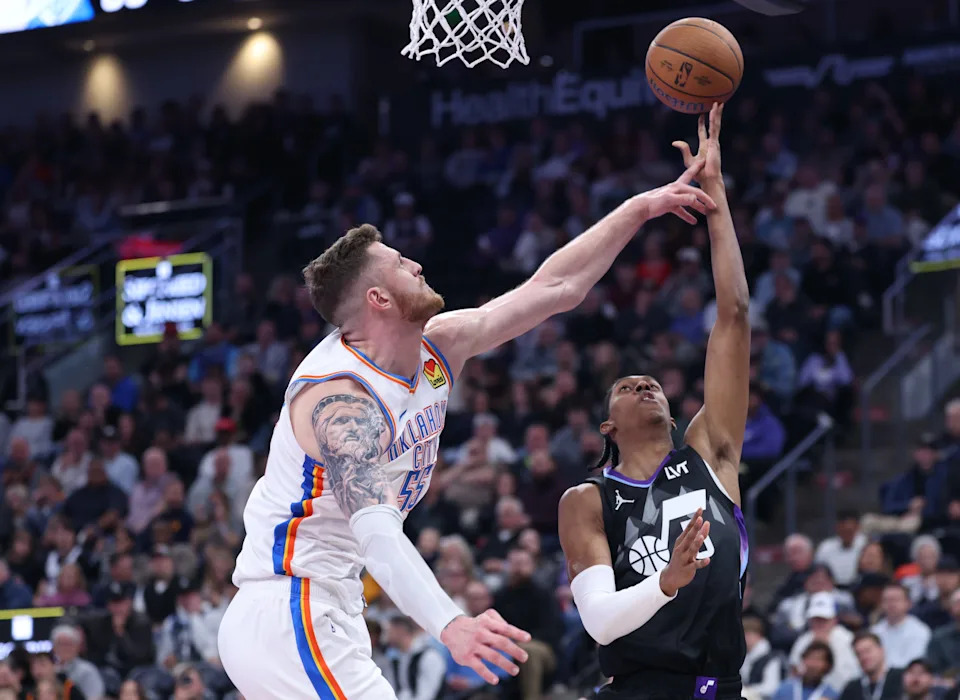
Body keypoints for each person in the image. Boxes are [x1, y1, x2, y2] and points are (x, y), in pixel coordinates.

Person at [217, 131, 716, 699]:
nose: (419, 264)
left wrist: (641, 207)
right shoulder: (340, 400)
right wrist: (451, 623)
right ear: (378, 300)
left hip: (328, 605)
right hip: (290, 605)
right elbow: (376, 529)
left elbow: (556, 286)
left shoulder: (437, 346)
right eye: (403, 265)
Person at [558, 105, 749, 700]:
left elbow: (735, 317)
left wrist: (715, 197)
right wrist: (664, 583)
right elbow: (598, 620)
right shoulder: (586, 501)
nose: (645, 384)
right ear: (607, 425)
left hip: (722, 685)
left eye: (652, 383)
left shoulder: (712, 454)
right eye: (626, 386)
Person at [383, 614, 446, 700]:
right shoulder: (395, 659)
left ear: (400, 631)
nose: (386, 637)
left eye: (389, 631)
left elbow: (426, 696)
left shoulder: (429, 657)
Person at [869, 583, 931, 668]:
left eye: (896, 600)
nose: (891, 604)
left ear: (908, 603)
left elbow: (914, 663)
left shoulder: (920, 630)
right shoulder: (874, 632)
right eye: (887, 600)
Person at [837, 632, 903, 700]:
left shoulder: (902, 678)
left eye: (868, 651)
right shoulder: (852, 688)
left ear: (881, 650)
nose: (864, 657)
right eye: (858, 654)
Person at [771, 641, 838, 700]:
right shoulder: (785, 689)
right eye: (810, 658)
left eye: (818, 659)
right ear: (803, 660)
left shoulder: (831, 695)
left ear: (827, 665)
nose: (813, 664)